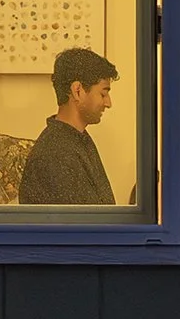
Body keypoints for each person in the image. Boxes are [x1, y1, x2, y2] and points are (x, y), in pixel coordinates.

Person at [16, 47, 120, 206]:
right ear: (77, 91)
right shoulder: (55, 154)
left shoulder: (77, 139)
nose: (108, 103)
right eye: (103, 94)